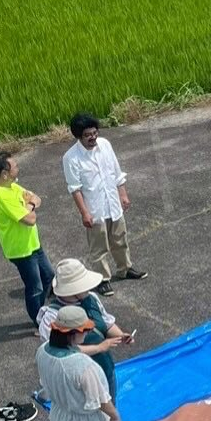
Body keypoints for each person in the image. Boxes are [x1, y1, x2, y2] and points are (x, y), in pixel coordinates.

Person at [62, 115, 146, 294]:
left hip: (113, 204)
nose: (93, 137)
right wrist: (84, 213)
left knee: (120, 239)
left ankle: (125, 269)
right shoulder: (71, 158)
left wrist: (123, 194)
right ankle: (102, 279)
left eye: (94, 133)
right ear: (79, 136)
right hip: (95, 209)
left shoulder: (105, 145)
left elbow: (116, 172)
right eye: (87, 135)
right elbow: (75, 188)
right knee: (99, 248)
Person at [37, 258, 133, 402]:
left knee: (110, 402)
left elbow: (106, 323)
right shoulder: (52, 317)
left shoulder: (92, 298)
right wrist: (99, 347)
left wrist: (121, 335)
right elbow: (59, 352)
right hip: (77, 379)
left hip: (104, 366)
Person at [0, 152, 54, 325]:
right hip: (20, 250)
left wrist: (28, 205)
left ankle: (43, 313)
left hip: (33, 244)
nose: (18, 167)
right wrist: (30, 206)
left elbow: (36, 198)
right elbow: (30, 220)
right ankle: (38, 322)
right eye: (15, 166)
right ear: (4, 173)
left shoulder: (12, 186)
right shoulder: (1, 195)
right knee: (35, 287)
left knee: (49, 276)